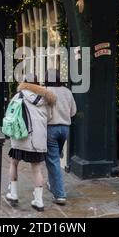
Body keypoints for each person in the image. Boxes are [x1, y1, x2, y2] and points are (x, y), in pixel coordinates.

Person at [5, 73, 56, 212]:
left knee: (14, 163)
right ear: (37, 83)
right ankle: (39, 201)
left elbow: (10, 114)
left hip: (21, 136)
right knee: (37, 169)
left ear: (24, 82)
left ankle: (14, 193)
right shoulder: (46, 99)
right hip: (37, 140)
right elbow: (50, 118)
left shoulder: (18, 96)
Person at [44, 69, 77, 206]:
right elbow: (73, 111)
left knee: (53, 160)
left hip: (51, 128)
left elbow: (43, 112)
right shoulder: (67, 92)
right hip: (65, 129)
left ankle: (60, 194)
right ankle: (52, 184)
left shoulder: (45, 91)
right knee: (55, 158)